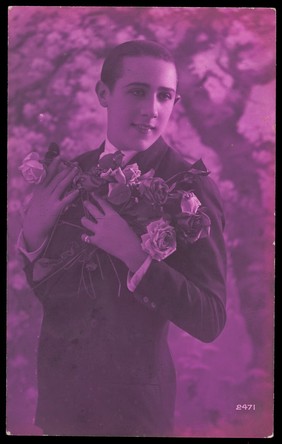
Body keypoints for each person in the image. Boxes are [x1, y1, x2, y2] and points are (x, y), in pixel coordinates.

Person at [18, 40, 227, 437]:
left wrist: (136, 257)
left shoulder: (188, 187)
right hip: (61, 405)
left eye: (165, 96)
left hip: (133, 413)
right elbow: (53, 293)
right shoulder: (68, 174)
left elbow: (210, 318)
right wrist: (33, 235)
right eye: (137, 91)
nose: (151, 109)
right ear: (103, 94)